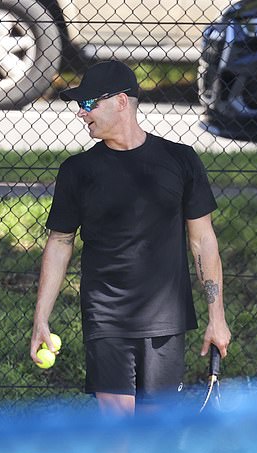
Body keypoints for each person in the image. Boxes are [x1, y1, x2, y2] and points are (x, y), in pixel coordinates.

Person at [30, 60, 231, 416]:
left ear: (121, 102)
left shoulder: (180, 160)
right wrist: (41, 319)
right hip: (105, 318)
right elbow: (60, 242)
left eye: (89, 103)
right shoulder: (77, 171)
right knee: (118, 438)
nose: (81, 113)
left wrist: (217, 317)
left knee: (154, 441)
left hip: (165, 320)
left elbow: (203, 241)